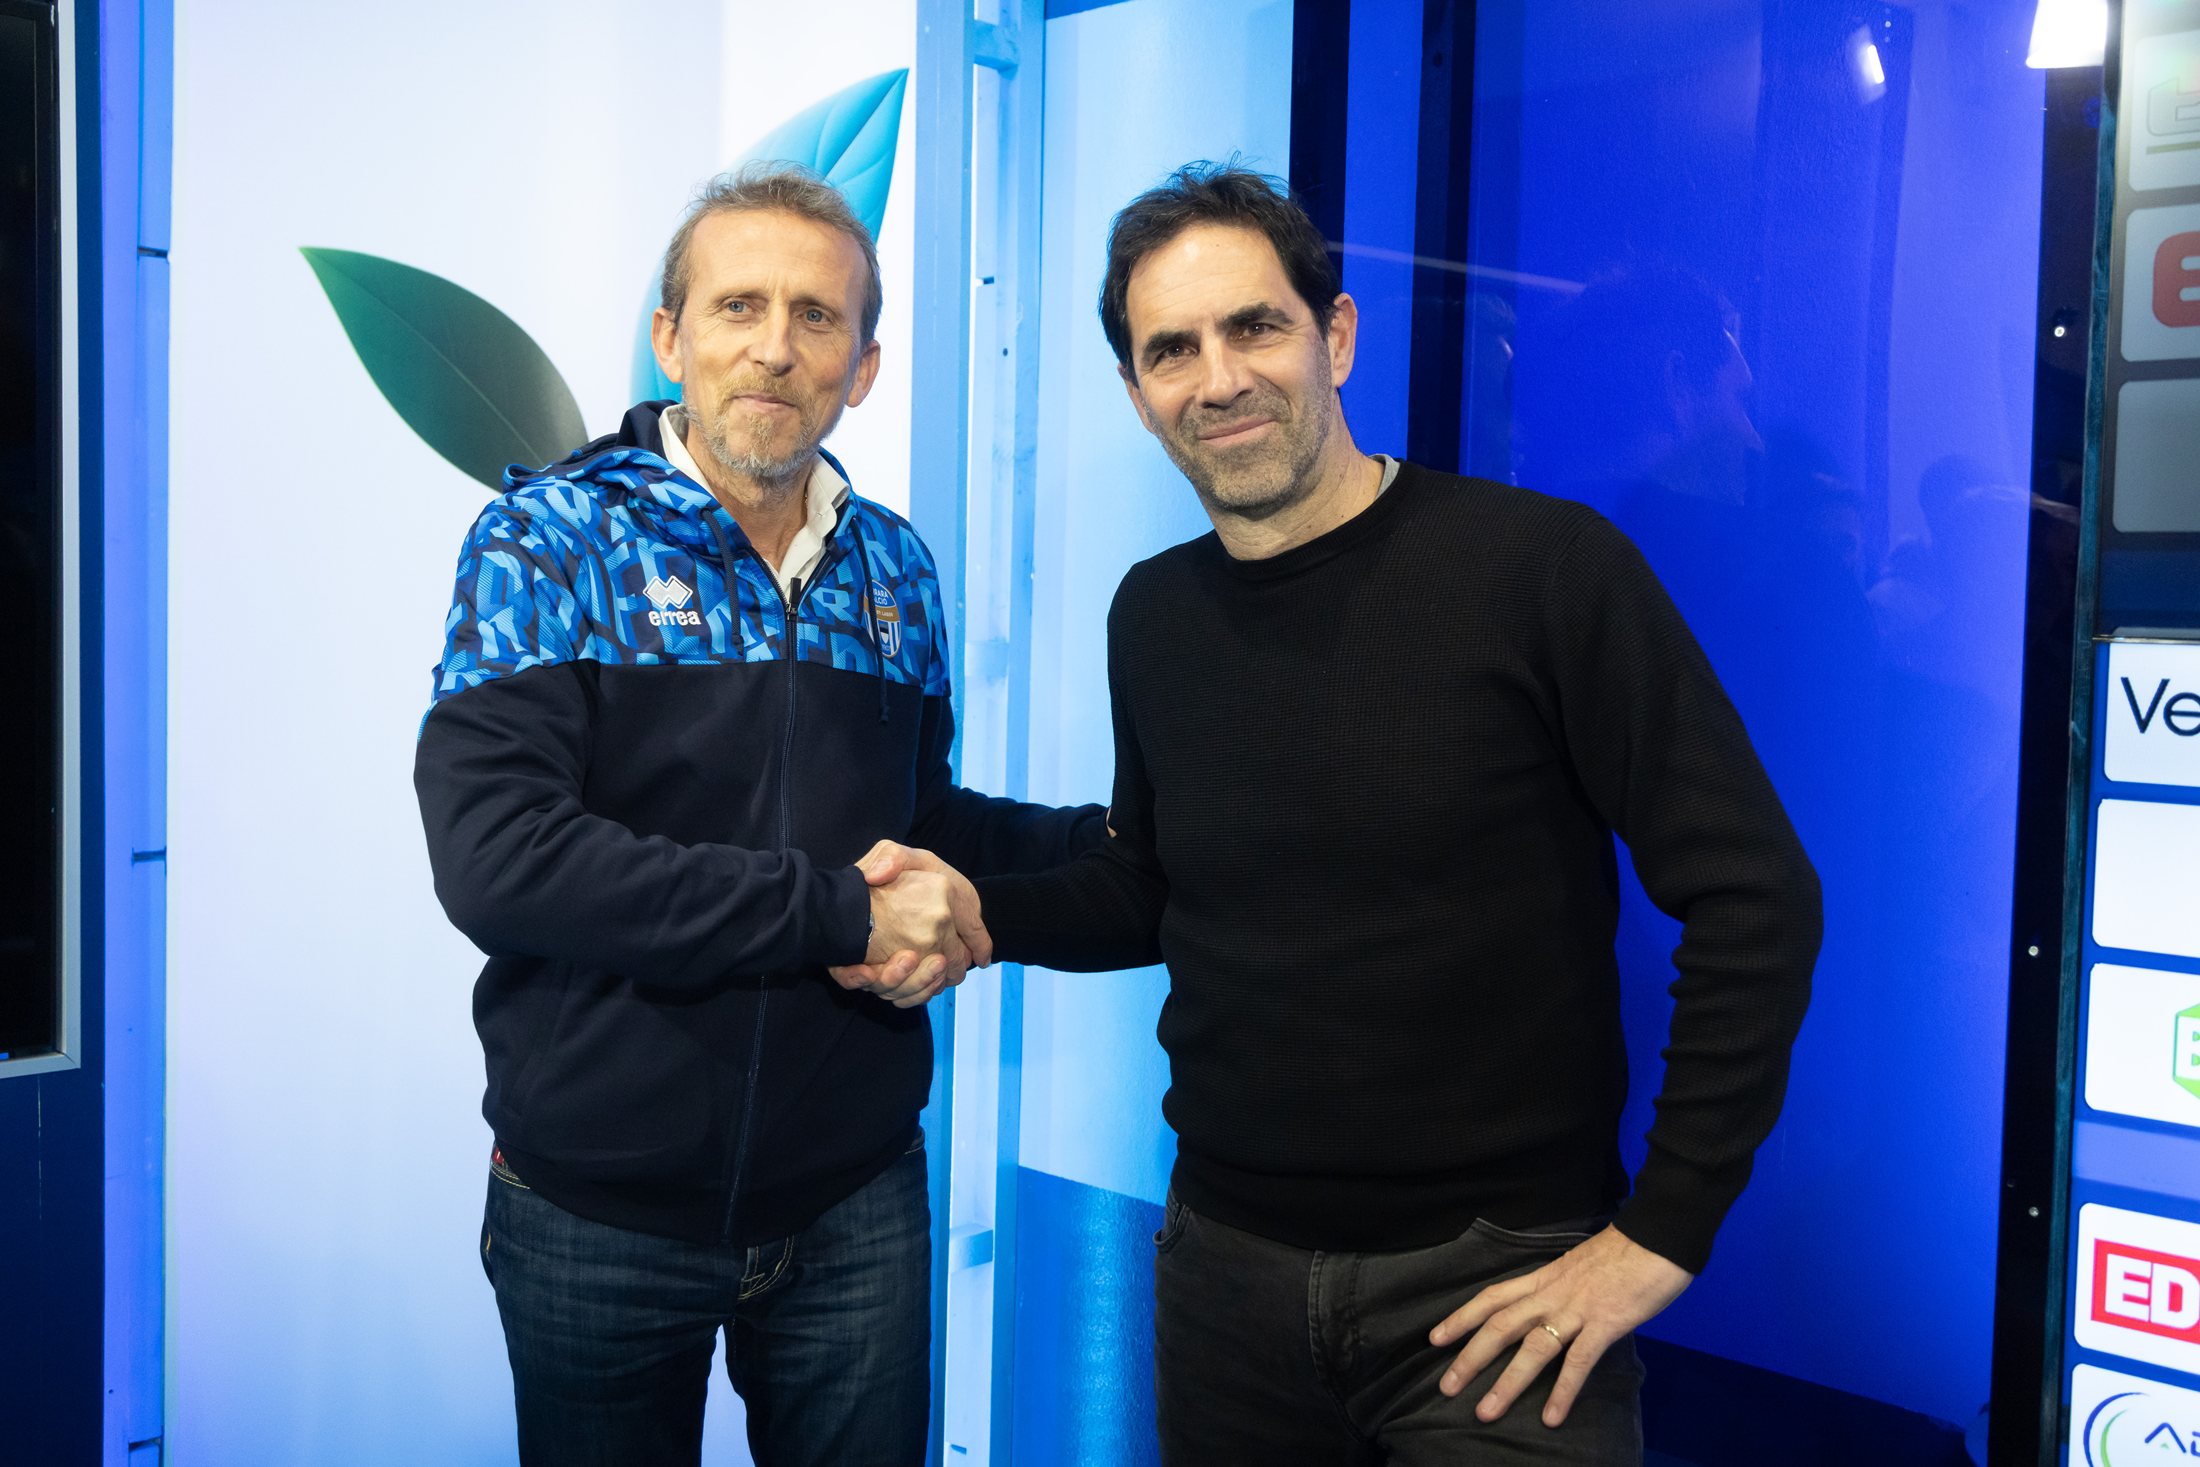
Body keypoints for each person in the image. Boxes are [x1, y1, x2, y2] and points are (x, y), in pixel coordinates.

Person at [852, 163, 1822, 1464]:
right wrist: (980, 914)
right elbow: (1154, 888)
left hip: (1500, 1296)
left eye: (1255, 326)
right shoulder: (1156, 613)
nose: (1219, 378)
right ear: (1138, 394)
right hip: (1225, 1284)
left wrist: (1663, 1233)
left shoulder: (1543, 569)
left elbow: (1755, 895)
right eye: (1172, 349)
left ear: (1337, 336)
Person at [413, 162, 1101, 1467]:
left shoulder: (895, 565)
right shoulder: (549, 541)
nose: (775, 348)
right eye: (739, 307)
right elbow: (501, 862)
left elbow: (921, 822)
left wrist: (1111, 845)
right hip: (598, 1212)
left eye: (816, 316)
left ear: (865, 365)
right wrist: (839, 912)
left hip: (856, 1201)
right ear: (669, 337)